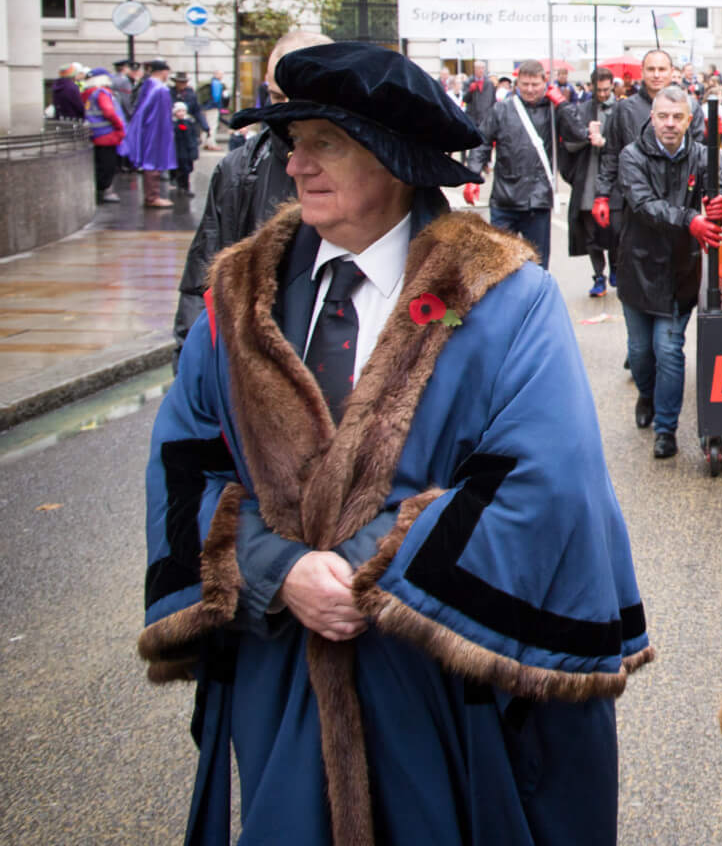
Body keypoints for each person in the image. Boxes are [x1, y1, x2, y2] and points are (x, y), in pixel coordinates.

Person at [139, 41, 652, 844]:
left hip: (437, 681)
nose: (297, 164)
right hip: (278, 674)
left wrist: (359, 569)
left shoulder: (504, 299)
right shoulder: (240, 297)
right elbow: (185, 462)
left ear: (395, 158)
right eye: (293, 142)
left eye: (325, 143)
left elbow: (541, 483)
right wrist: (280, 572)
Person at [173, 30, 333, 357]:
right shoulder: (240, 170)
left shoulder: (370, 164)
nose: (287, 112)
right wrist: (193, 374)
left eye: (300, 97)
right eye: (277, 98)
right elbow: (201, 282)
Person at [618, 87, 722, 458]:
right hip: (638, 268)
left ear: (688, 119)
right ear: (652, 117)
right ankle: (646, 395)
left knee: (668, 350)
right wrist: (691, 221)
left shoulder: (703, 156)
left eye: (677, 117)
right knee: (640, 352)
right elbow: (643, 205)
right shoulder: (631, 156)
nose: (670, 124)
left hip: (680, 273)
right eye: (663, 116)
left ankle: (666, 429)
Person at [465, 60, 559, 266]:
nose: (530, 89)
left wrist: (563, 104)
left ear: (544, 83)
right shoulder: (501, 109)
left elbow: (576, 135)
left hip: (537, 199)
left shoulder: (552, 111)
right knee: (498, 262)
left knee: (538, 262)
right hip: (504, 198)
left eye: (535, 84)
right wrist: (472, 175)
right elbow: (482, 141)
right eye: (525, 84)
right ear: (517, 84)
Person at [591, 48, 677, 246]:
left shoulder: (688, 107)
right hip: (631, 203)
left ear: (671, 71)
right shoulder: (624, 109)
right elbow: (611, 155)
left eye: (662, 69)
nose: (656, 75)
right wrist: (602, 195)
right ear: (643, 71)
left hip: (674, 203)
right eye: (651, 69)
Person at [558, 66, 621, 297]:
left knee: (615, 230)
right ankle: (598, 276)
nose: (603, 94)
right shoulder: (582, 109)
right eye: (599, 90)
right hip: (588, 179)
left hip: (615, 181)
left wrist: (606, 142)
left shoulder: (621, 109)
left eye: (607, 89)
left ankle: (615, 267)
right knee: (591, 234)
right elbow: (569, 143)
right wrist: (586, 136)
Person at [121, 58, 178, 208]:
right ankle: (153, 197)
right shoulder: (161, 89)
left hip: (147, 129)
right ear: (164, 72)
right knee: (153, 161)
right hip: (157, 130)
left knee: (150, 161)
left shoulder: (147, 85)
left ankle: (151, 196)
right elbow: (163, 115)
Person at [83, 67, 126, 202]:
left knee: (99, 164)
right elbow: (108, 111)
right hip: (107, 134)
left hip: (95, 133)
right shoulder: (101, 92)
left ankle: (100, 191)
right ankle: (103, 191)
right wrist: (119, 126)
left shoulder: (88, 93)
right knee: (108, 165)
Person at [461, 58, 496, 126]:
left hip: (486, 119)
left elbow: (493, 101)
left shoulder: (490, 83)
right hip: (472, 118)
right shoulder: (468, 82)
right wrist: (470, 91)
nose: (481, 70)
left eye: (482, 68)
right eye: (478, 68)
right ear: (474, 69)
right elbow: (464, 99)